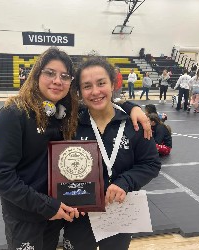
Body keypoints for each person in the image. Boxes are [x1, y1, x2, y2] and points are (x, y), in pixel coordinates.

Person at [0, 47, 152, 250]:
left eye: (64, 76)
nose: (57, 80)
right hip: (29, 216)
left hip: (60, 214)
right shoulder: (14, 114)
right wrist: (47, 206)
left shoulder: (64, 114)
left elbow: (102, 101)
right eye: (50, 73)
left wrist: (131, 107)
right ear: (37, 74)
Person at [63, 57, 161, 250]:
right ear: (80, 91)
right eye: (87, 86)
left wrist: (124, 182)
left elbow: (151, 164)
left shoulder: (134, 125)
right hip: (80, 214)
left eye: (101, 83)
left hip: (119, 210)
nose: (95, 92)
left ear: (112, 84)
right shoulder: (70, 125)